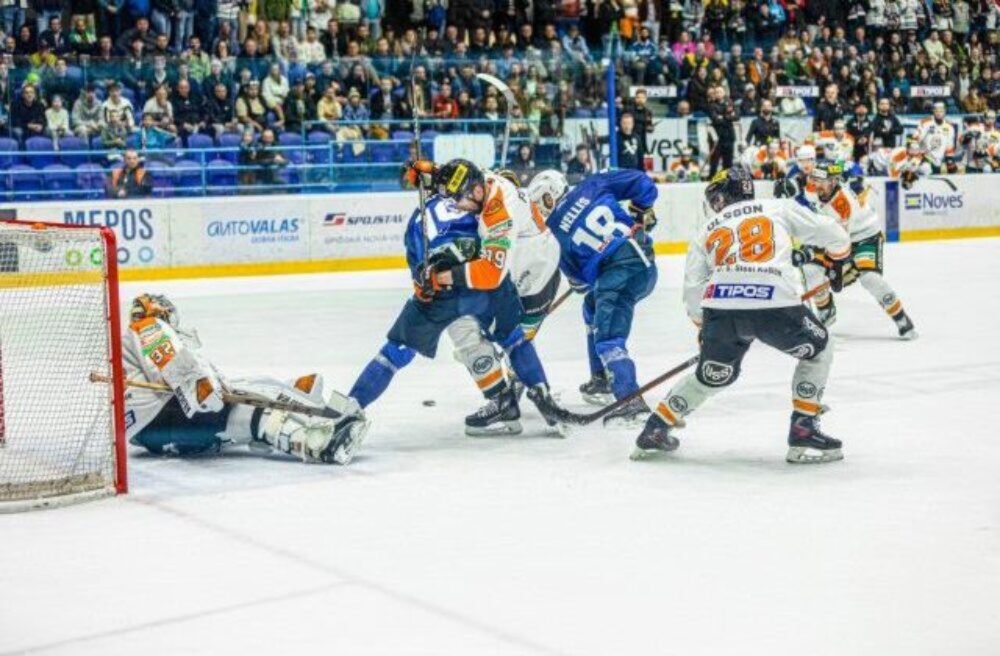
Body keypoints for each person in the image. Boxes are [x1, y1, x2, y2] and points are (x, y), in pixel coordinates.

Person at [631, 165, 852, 464]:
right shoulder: (778, 208)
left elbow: (693, 291)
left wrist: (704, 329)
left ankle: (656, 428)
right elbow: (834, 234)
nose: (715, 205)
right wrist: (838, 261)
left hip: (721, 308)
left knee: (712, 376)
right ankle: (803, 426)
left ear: (725, 195)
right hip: (774, 303)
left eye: (716, 198)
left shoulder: (706, 230)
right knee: (820, 349)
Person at [347, 162, 576, 436]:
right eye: (451, 196)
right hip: (482, 268)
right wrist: (428, 172)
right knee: (493, 334)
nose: (456, 203)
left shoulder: (500, 214)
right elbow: (451, 180)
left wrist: (438, 279)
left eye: (460, 199)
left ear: (478, 191)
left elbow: (491, 273)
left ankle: (539, 396)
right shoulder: (470, 187)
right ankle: (508, 399)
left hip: (532, 266)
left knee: (512, 334)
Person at [124, 294, 368, 464]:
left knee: (247, 410)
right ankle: (321, 442)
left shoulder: (124, 349)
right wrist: (199, 388)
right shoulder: (147, 326)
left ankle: (306, 407)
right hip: (167, 416)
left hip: (153, 436)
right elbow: (172, 361)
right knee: (257, 415)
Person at [539, 168, 659, 425]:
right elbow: (644, 184)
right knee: (591, 307)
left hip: (618, 274)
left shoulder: (553, 235)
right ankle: (601, 379)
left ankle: (631, 402)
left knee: (609, 339)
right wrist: (640, 211)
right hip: (643, 258)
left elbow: (581, 283)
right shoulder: (591, 184)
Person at [797, 160, 917, 338]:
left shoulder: (843, 204)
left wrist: (835, 268)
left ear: (833, 181)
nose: (816, 184)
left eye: (822, 181)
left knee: (870, 279)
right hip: (835, 236)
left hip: (864, 236)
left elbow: (840, 242)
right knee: (810, 270)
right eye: (815, 179)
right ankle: (826, 310)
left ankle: (901, 318)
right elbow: (804, 198)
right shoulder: (814, 186)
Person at [913, 101, 956, 173]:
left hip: (938, 160)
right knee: (926, 169)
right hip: (924, 158)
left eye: (941, 111)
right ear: (933, 111)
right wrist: (917, 155)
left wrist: (950, 162)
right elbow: (915, 139)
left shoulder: (949, 127)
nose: (939, 113)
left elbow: (949, 147)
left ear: (945, 112)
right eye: (936, 111)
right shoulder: (925, 122)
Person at [707, 86, 738, 176]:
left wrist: (723, 116)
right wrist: (728, 116)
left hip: (729, 136)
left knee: (728, 161)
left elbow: (737, 116)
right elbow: (715, 119)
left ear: (724, 93)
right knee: (714, 161)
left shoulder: (730, 103)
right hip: (717, 137)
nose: (718, 94)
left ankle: (727, 180)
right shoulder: (711, 105)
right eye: (716, 92)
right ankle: (711, 179)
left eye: (720, 92)